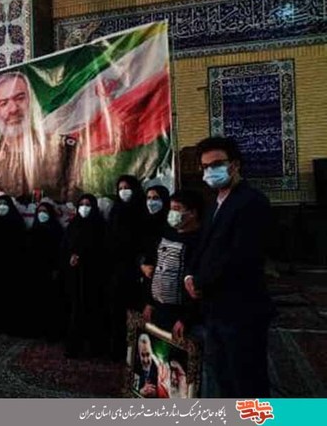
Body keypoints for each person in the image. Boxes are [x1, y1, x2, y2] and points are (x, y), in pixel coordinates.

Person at [184, 136, 274, 398]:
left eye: (216, 164)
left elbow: (240, 256)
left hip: (241, 310)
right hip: (215, 308)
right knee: (223, 378)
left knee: (247, 382)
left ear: (234, 165)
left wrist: (201, 282)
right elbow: (204, 246)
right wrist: (190, 276)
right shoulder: (215, 202)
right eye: (205, 167)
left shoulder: (251, 202)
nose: (210, 171)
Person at [0, 72, 81, 205]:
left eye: (20, 98)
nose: (13, 109)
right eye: (3, 103)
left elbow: (73, 194)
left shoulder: (60, 148)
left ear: (31, 101)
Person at [142, 190, 203, 336]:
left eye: (177, 209)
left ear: (192, 213)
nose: (172, 213)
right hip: (159, 309)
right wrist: (150, 302)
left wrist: (186, 318)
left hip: (181, 316)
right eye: (171, 208)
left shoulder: (200, 241)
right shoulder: (166, 233)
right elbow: (155, 268)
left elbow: (196, 286)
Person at [62, 193, 109, 358]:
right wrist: (71, 256)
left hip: (93, 276)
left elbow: (103, 250)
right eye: (81, 204)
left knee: (93, 310)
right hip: (75, 276)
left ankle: (94, 348)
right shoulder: (73, 225)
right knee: (75, 310)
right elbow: (65, 246)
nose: (84, 207)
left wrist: (82, 256)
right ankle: (74, 346)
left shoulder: (100, 226)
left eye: (88, 204)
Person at [107, 175, 148, 360]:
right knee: (116, 311)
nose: (123, 191)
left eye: (127, 187)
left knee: (135, 311)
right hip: (116, 268)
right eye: (120, 188)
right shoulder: (115, 210)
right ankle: (117, 350)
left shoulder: (142, 210)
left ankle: (136, 353)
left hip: (137, 269)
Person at [0, 194, 27, 335]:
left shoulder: (17, 222)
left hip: (13, 267)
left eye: (5, 204)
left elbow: (22, 245)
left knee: (12, 296)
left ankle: (12, 326)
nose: (2, 207)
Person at [27, 201, 65, 340]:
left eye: (45, 212)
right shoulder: (33, 230)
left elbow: (60, 252)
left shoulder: (57, 231)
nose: (42, 214)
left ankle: (52, 332)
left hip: (51, 272)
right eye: (39, 211)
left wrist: (56, 269)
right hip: (36, 272)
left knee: (52, 302)